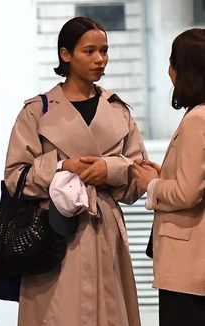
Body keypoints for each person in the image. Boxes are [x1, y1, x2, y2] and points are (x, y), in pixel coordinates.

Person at [4, 16, 146, 326]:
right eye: (90, 51)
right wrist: (60, 166)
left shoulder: (118, 110)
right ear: (66, 55)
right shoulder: (38, 111)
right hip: (53, 232)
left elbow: (140, 175)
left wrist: (109, 169)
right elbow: (15, 175)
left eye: (104, 51)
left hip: (105, 229)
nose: (100, 59)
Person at [132, 28, 205, 326]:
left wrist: (151, 185)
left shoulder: (196, 120)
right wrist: (164, 175)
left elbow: (188, 193)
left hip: (188, 267)